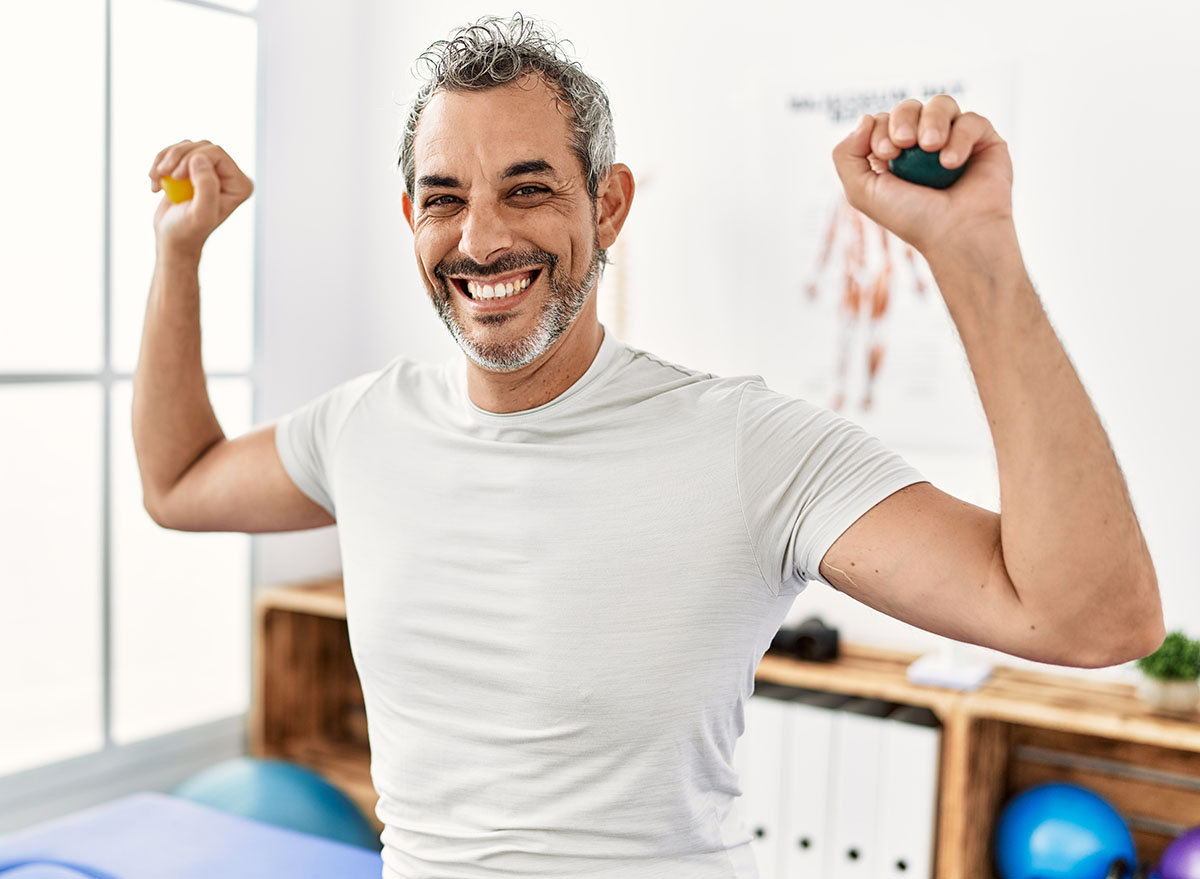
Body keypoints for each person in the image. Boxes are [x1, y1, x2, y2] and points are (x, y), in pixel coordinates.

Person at [133, 14, 1163, 879]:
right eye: (445, 198)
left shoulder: (745, 447)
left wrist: (975, 253)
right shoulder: (365, 424)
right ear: (412, 218)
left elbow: (1091, 619)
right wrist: (179, 258)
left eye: (528, 188)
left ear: (609, 204)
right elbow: (178, 484)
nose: (482, 239)